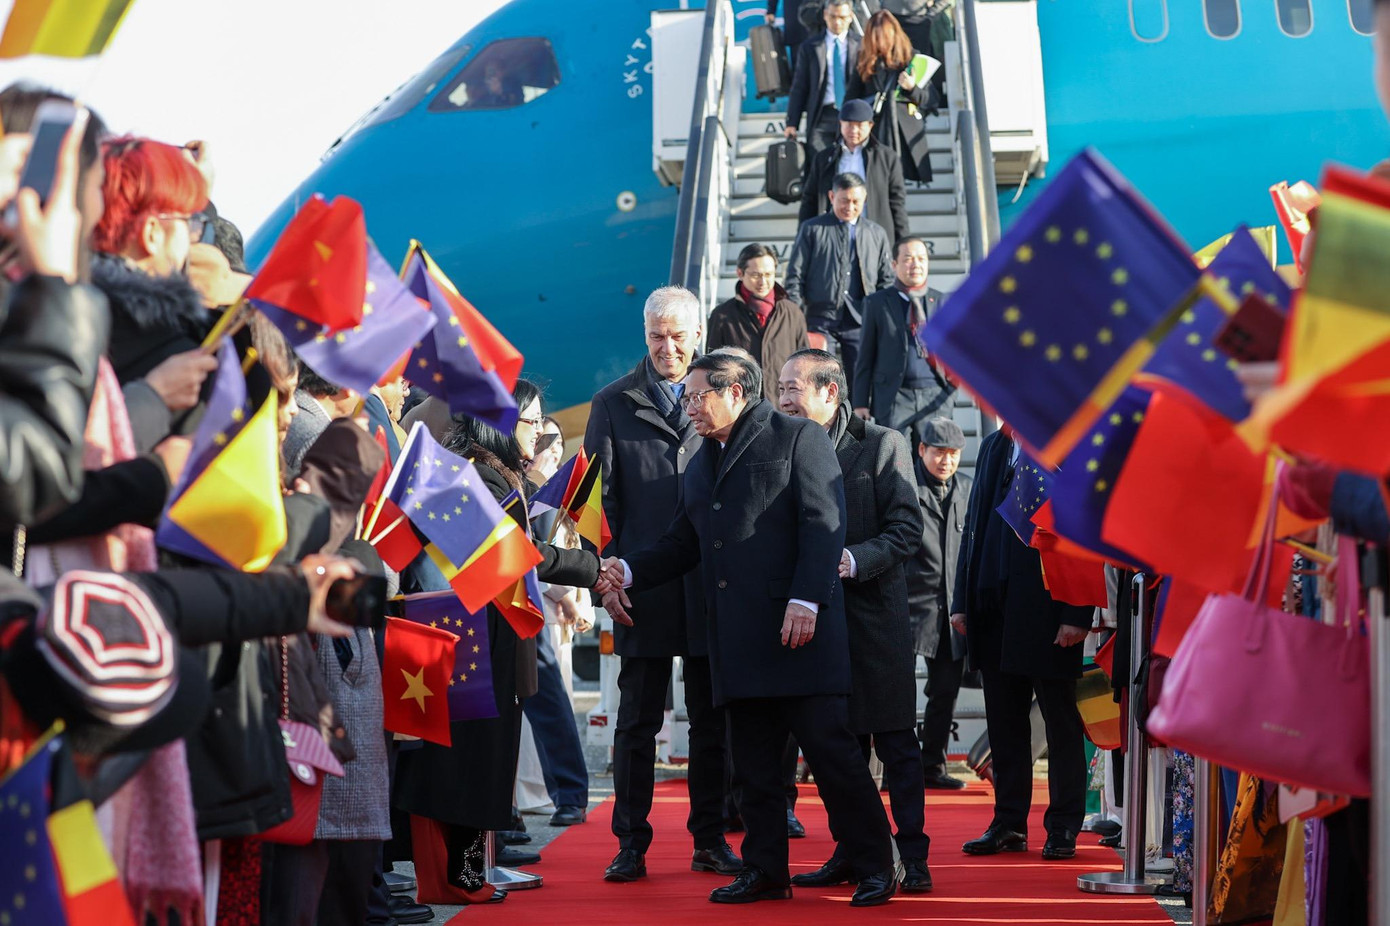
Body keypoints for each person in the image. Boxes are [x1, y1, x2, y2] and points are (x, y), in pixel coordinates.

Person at [598, 351, 897, 907]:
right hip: (736, 640)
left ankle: (877, 862)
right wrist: (628, 569)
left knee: (833, 758)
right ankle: (765, 869)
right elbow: (682, 544)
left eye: (696, 396)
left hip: (798, 633)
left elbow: (824, 523)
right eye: (685, 397)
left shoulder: (796, 438)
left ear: (735, 393)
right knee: (754, 767)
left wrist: (807, 598)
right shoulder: (700, 461)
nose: (688, 406)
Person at [395, 380, 600, 904]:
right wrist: (599, 569)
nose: (539, 430)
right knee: (467, 767)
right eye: (531, 420)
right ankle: (456, 880)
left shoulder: (485, 476)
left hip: (471, 645)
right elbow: (517, 560)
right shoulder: (484, 481)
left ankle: (460, 876)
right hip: (471, 651)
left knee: (469, 765)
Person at [584, 286, 739, 883]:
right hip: (639, 587)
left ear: (698, 334)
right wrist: (606, 573)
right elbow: (597, 501)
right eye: (656, 337)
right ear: (644, 337)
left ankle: (709, 839)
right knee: (637, 722)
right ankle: (631, 842)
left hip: (708, 584)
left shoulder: (722, 399)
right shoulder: (613, 403)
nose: (668, 348)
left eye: (678, 336)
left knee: (710, 720)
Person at [775, 348, 932, 893]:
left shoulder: (882, 444)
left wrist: (852, 560)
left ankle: (912, 857)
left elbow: (906, 529)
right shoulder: (780, 447)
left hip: (873, 622)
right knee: (837, 751)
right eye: (781, 387)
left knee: (895, 746)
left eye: (795, 387)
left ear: (830, 392)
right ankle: (854, 852)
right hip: (815, 624)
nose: (785, 397)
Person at [951, 427, 1092, 860]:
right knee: (1005, 723)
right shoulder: (995, 445)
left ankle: (1064, 825)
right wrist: (961, 601)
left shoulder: (1063, 442)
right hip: (992, 604)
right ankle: (1009, 822)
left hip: (1047, 606)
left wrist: (1076, 613)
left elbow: (1082, 528)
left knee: (1060, 722)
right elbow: (973, 523)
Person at [784, 172, 894, 395]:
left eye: (856, 201)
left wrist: (880, 317)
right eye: (844, 200)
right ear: (832, 196)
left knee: (859, 381)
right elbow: (795, 276)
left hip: (860, 319)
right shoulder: (812, 229)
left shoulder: (877, 233)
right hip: (819, 318)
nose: (850, 207)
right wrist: (797, 316)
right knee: (818, 380)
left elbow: (886, 280)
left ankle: (850, 426)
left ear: (864, 200)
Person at [908, 417, 971, 791]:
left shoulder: (966, 489)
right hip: (908, 604)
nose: (945, 461)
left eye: (953, 454)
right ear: (922, 450)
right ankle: (887, 768)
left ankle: (932, 765)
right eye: (938, 453)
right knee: (893, 692)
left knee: (945, 691)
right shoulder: (903, 487)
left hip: (950, 610)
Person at [852, 236, 952, 444]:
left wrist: (950, 392)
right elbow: (865, 355)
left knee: (932, 464)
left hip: (935, 396)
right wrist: (860, 402)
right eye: (908, 259)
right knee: (895, 462)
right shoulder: (877, 303)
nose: (916, 264)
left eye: (921, 258)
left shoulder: (941, 302)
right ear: (894, 264)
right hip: (893, 397)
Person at [846, 10, 939, 186]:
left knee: (896, 187)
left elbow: (930, 99)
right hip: (874, 130)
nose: (881, 43)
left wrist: (911, 88)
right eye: (876, 39)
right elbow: (851, 99)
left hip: (903, 132)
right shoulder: (864, 60)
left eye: (884, 37)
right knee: (875, 182)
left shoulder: (911, 59)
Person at [706, 244, 808, 402]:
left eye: (769, 274)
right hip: (741, 408)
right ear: (740, 273)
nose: (763, 281)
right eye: (756, 275)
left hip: (784, 407)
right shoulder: (722, 316)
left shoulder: (792, 313)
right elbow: (712, 368)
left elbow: (805, 364)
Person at [798, 98, 909, 243]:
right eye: (849, 125)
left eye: (859, 125)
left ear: (870, 125)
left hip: (874, 236)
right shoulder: (824, 158)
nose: (854, 131)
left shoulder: (887, 157)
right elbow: (810, 199)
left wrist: (903, 243)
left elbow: (897, 202)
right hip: (832, 237)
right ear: (840, 124)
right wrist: (802, 238)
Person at [785, 0, 861, 159]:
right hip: (822, 115)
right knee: (820, 166)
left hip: (853, 117)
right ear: (825, 15)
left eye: (842, 17)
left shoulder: (861, 45)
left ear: (851, 17)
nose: (837, 22)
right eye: (833, 16)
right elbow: (800, 86)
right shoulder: (810, 47)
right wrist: (792, 122)